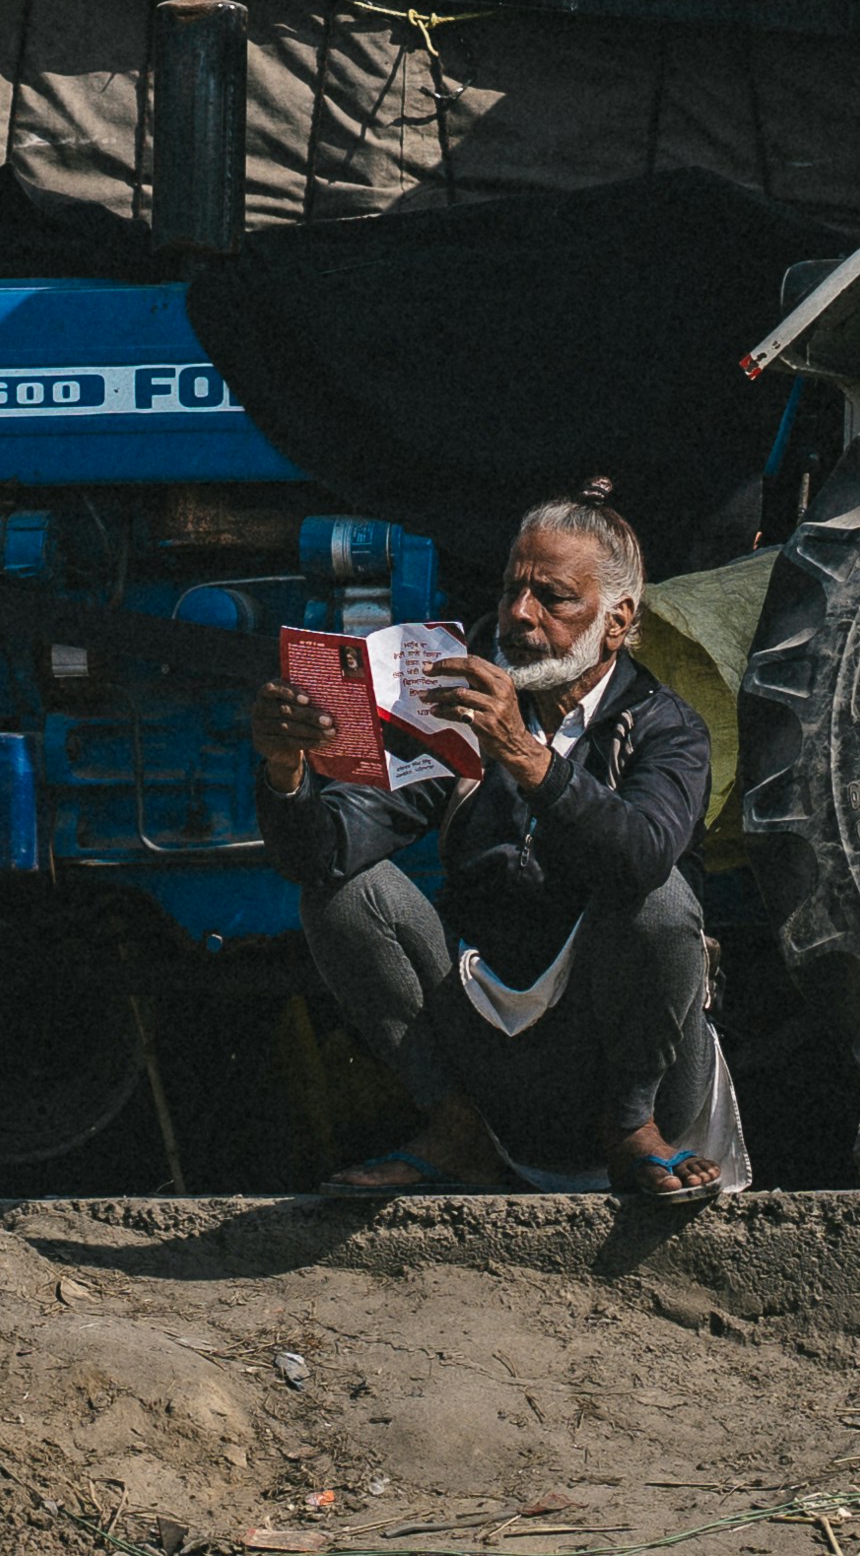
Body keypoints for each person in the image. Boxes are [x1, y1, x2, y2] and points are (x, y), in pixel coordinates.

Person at [248, 482, 729, 1203]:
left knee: (660, 899)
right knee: (345, 895)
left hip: (637, 1067)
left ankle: (632, 1130)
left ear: (619, 620)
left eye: (553, 596)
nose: (519, 614)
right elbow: (322, 854)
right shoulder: (462, 717)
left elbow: (640, 856)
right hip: (502, 1061)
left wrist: (525, 756)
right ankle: (456, 1129)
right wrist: (287, 770)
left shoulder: (665, 727)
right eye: (511, 590)